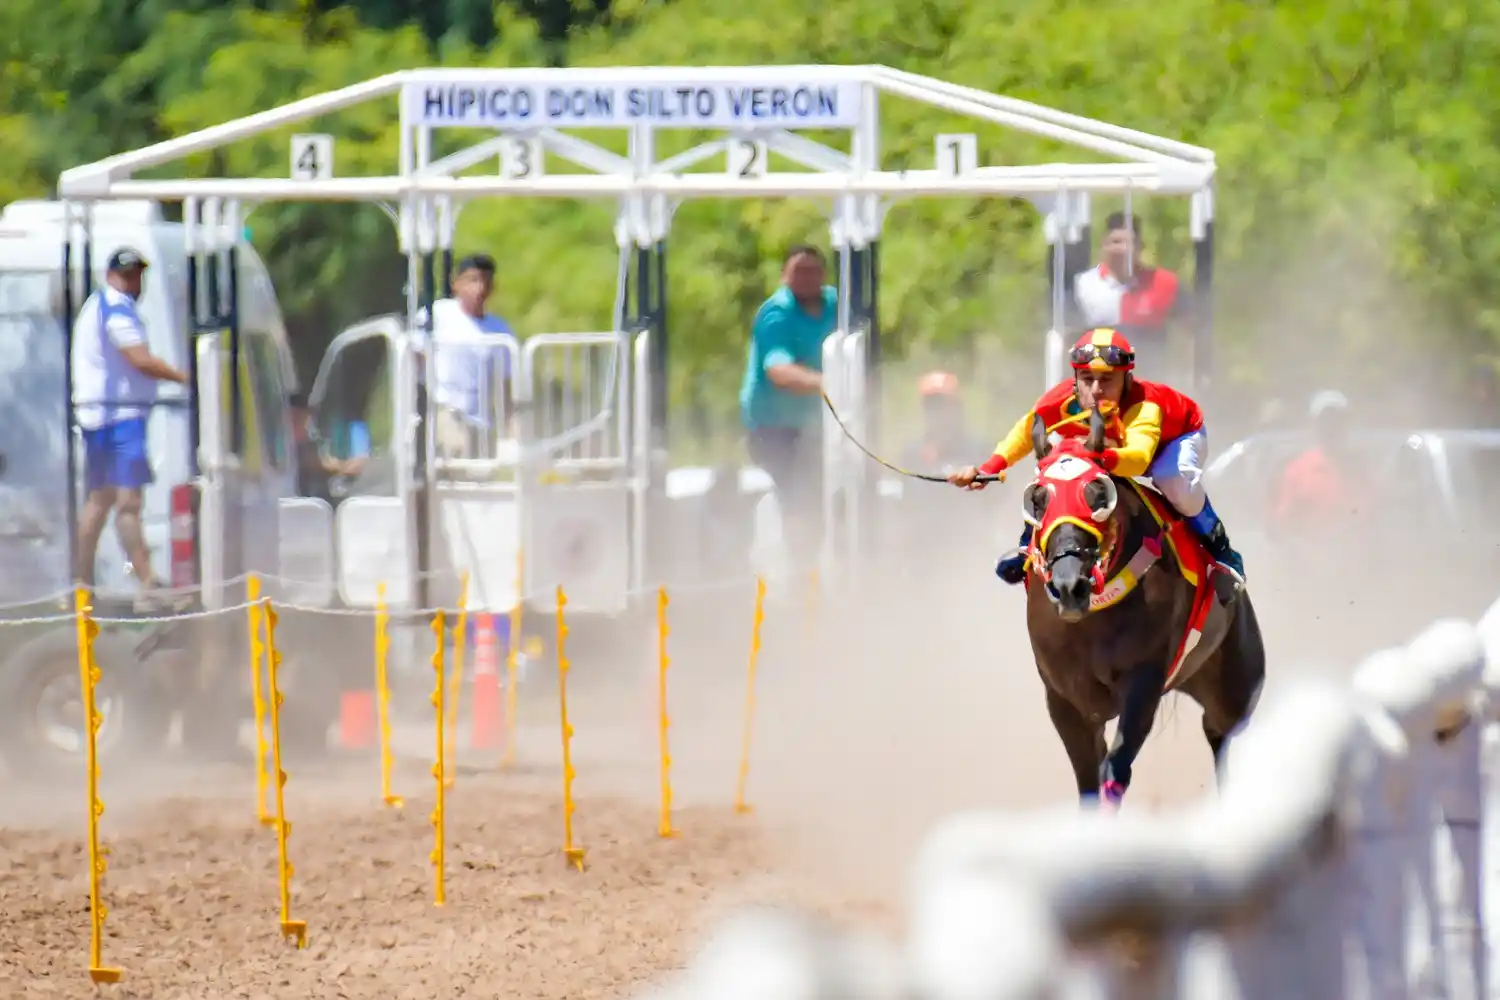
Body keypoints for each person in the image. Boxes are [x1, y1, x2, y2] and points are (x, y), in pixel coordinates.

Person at [947, 327, 1245, 583]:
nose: (1096, 389)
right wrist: (988, 468)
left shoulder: (1144, 406)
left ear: (1127, 379)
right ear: (1076, 379)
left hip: (1174, 441)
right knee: (1054, 473)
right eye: (1087, 379)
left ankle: (1223, 553)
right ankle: (1028, 548)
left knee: (1174, 480)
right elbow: (1025, 432)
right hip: (1110, 451)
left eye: (1107, 379)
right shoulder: (1061, 398)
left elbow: (1140, 459)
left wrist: (1098, 459)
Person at [70, 247, 189, 603]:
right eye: (127, 275)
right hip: (118, 419)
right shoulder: (115, 308)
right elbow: (139, 359)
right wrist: (184, 377)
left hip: (103, 418)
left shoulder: (98, 305)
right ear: (111, 275)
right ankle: (147, 581)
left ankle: (81, 581)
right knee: (127, 502)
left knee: (101, 500)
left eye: (137, 275)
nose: (134, 282)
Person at [738, 244, 839, 559]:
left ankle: (831, 562)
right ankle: (798, 569)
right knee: (797, 495)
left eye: (814, 271)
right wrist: (830, 383)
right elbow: (778, 369)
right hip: (773, 427)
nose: (807, 278)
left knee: (834, 490)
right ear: (785, 275)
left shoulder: (836, 303)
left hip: (820, 425)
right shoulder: (776, 312)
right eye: (799, 271)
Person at [417, 254, 513, 459]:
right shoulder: (437, 314)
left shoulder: (499, 329)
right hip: (446, 410)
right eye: (473, 280)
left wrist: (510, 426)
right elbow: (414, 354)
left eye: (485, 281)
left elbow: (505, 381)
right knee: (456, 454)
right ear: (456, 284)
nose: (479, 288)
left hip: (480, 419)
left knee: (479, 477)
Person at [1071, 213, 1181, 373]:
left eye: (1129, 243)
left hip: (1149, 377)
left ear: (1140, 246)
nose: (1122, 249)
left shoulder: (1164, 283)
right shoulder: (1083, 285)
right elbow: (1069, 335)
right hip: (1098, 377)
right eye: (1116, 242)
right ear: (1103, 245)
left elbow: (1194, 329)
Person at [1270, 390, 1353, 534]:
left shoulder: (1358, 470)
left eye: (1337, 420)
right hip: (1308, 551)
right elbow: (1284, 522)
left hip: (1352, 552)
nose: (1331, 427)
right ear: (1314, 425)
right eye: (1325, 420)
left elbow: (1370, 521)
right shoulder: (1298, 470)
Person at [900, 371, 989, 474]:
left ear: (957, 408)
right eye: (930, 404)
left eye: (942, 404)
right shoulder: (912, 454)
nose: (936, 411)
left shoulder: (979, 451)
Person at [288, 392, 368, 501]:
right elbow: (318, 463)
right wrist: (344, 467)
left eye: (305, 419)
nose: (305, 425)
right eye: (297, 419)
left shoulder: (308, 443)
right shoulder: (282, 448)